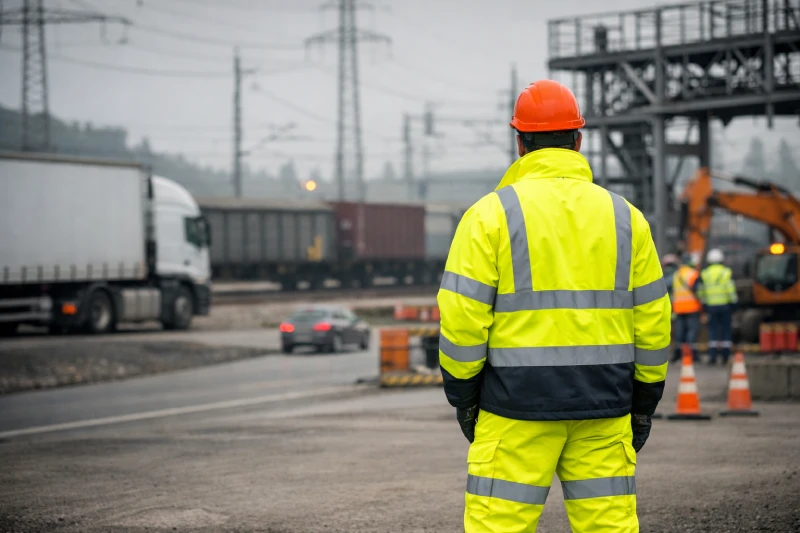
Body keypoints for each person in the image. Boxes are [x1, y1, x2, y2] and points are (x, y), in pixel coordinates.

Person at [437, 79, 671, 533]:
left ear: (520, 142)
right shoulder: (626, 218)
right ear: (578, 140)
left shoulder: (489, 216)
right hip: (605, 408)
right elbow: (654, 322)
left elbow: (462, 321)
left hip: (513, 412)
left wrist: (465, 399)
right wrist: (643, 402)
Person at [698, 248, 738, 365]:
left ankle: (713, 356)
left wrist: (704, 304)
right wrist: (734, 303)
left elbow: (701, 291)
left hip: (711, 307)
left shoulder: (705, 274)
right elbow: (730, 290)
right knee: (726, 330)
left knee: (713, 331)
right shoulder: (726, 272)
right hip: (725, 306)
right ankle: (725, 356)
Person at [671, 253, 703, 362]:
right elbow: (699, 291)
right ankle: (691, 354)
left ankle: (678, 354)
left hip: (679, 308)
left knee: (679, 333)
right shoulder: (693, 274)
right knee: (692, 332)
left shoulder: (676, 274)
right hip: (692, 307)